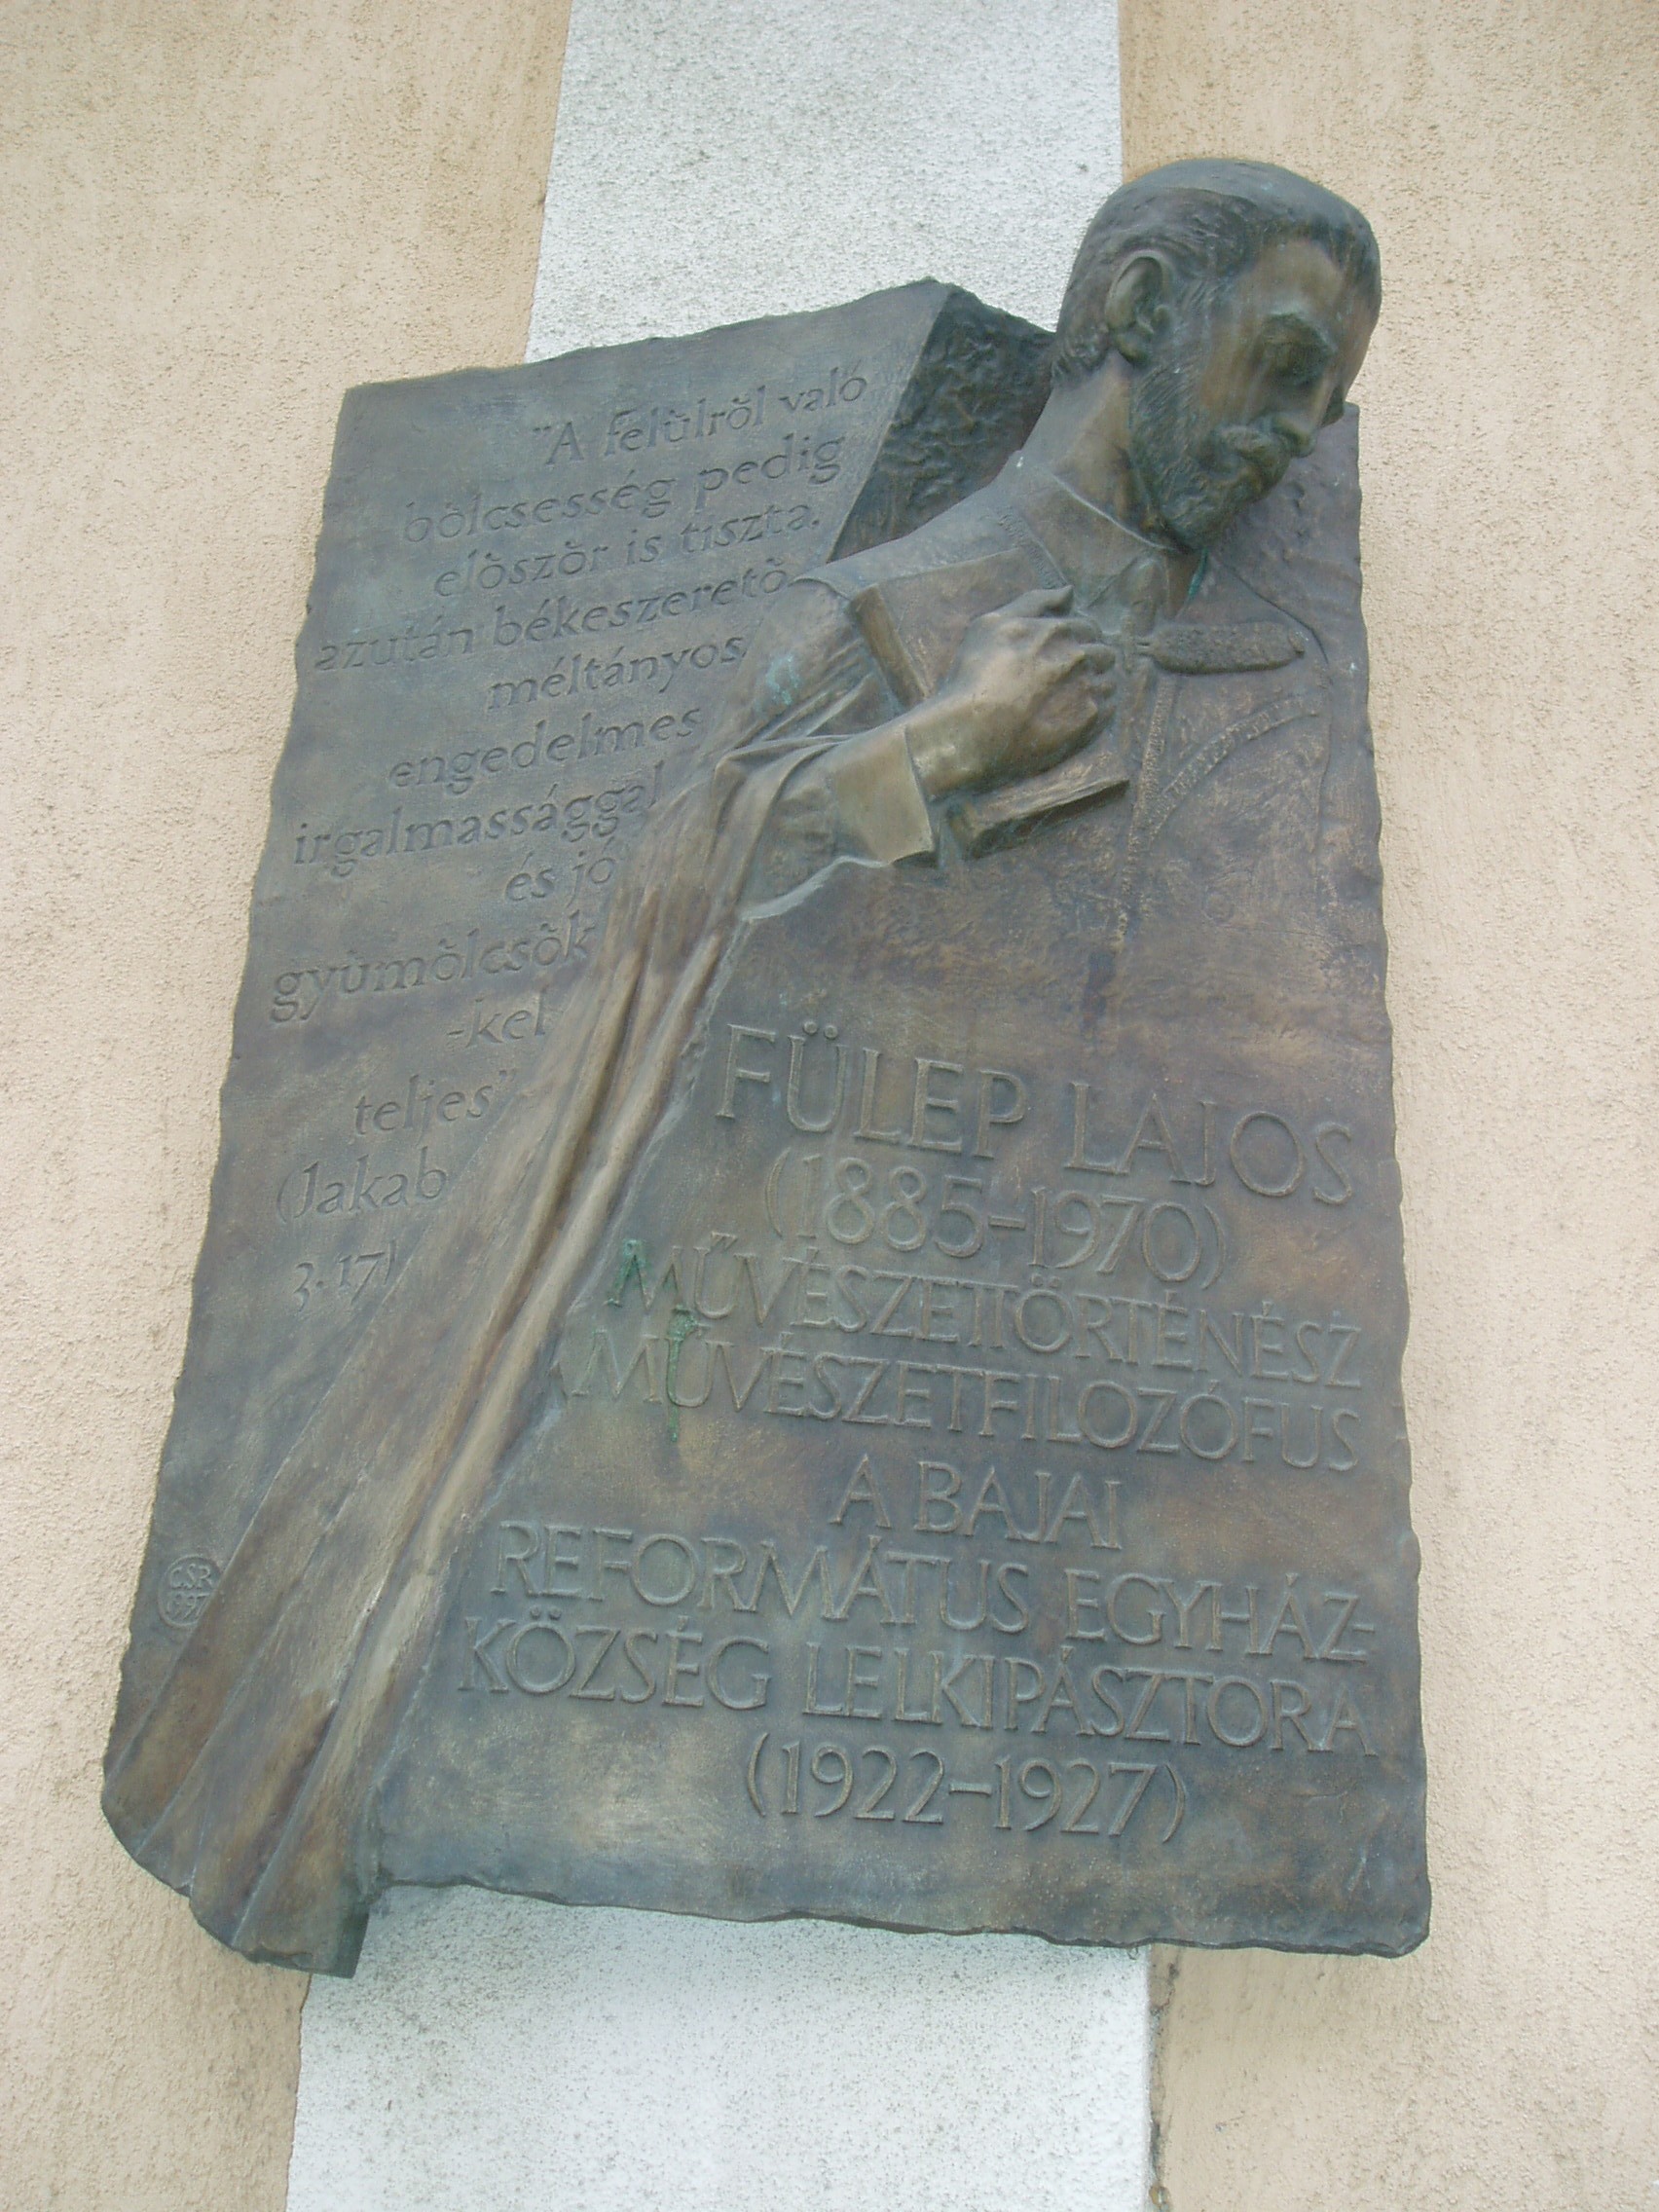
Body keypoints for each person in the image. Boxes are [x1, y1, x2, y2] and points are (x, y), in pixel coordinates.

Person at [103, 159, 1381, 1973]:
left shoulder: (1259, 667)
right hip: (708, 1438)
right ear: (1140, 312)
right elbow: (676, 894)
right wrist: (937, 753)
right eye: (1285, 364)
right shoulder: (884, 615)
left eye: (1331, 398)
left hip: (1036, 1466)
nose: (1301, 434)